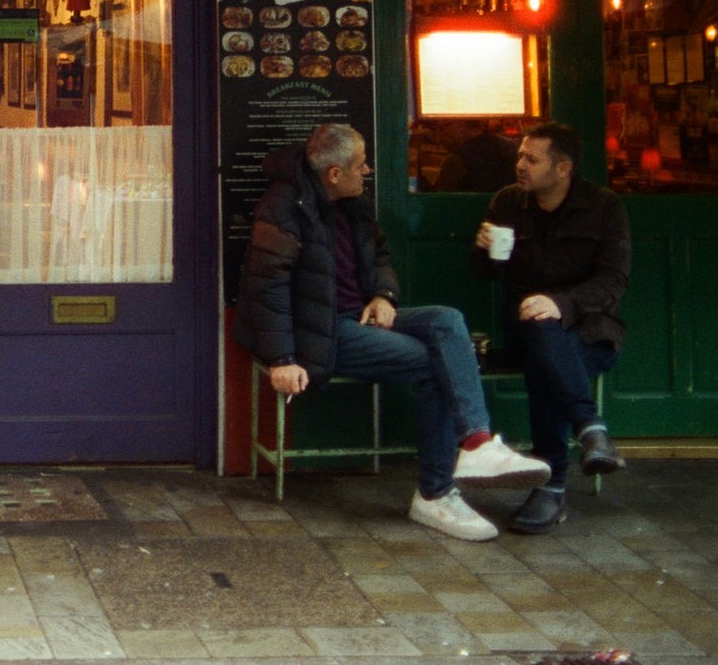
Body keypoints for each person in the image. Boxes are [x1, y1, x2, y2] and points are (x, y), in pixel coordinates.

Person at [235, 123, 548, 541]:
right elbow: (266, 287)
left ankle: (476, 444)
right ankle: (436, 493)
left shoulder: (353, 202)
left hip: (360, 315)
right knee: (436, 364)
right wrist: (281, 359)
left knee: (446, 319)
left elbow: (379, 254)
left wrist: (384, 295)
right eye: (360, 165)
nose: (367, 170)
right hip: (320, 332)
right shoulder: (283, 208)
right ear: (333, 174)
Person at [472, 121, 629, 534]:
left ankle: (552, 487)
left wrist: (560, 304)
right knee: (541, 333)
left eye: (531, 158)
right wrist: (485, 251)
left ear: (562, 169)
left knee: (546, 350)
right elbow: (484, 273)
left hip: (592, 333)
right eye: (520, 155)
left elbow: (614, 280)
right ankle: (590, 430)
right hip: (527, 330)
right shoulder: (508, 203)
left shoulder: (603, 206)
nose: (519, 164)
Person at [435, 120, 519, 193]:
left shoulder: (454, 161)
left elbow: (442, 203)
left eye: (443, 127)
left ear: (461, 123)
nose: (440, 136)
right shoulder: (508, 147)